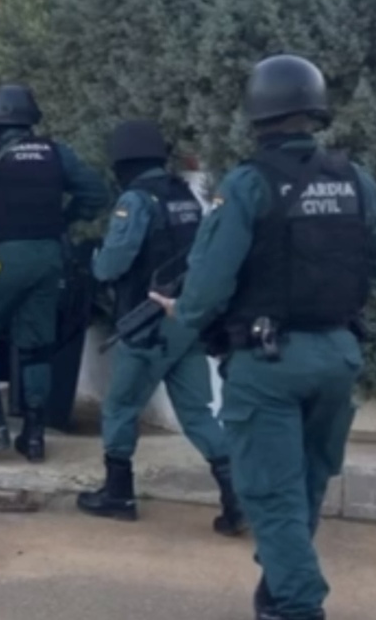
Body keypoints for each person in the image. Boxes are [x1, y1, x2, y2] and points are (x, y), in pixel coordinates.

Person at [149, 55, 376, 620]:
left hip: (267, 363)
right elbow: (374, 261)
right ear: (315, 110)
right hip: (338, 354)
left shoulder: (250, 185)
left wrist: (182, 309)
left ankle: (298, 606)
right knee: (304, 486)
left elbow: (206, 291)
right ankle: (277, 595)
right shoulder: (357, 179)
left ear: (258, 116)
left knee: (270, 497)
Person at [75, 120, 244, 536]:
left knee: (120, 408)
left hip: (145, 324)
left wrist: (92, 261)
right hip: (183, 321)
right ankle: (237, 496)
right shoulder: (183, 194)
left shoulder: (137, 200)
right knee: (198, 413)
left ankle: (118, 494)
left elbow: (112, 263)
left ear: (123, 160)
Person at [0, 84, 111, 461]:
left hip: (4, 258)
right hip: (50, 258)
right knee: (36, 348)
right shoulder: (56, 154)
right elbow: (96, 194)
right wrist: (62, 221)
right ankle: (33, 437)